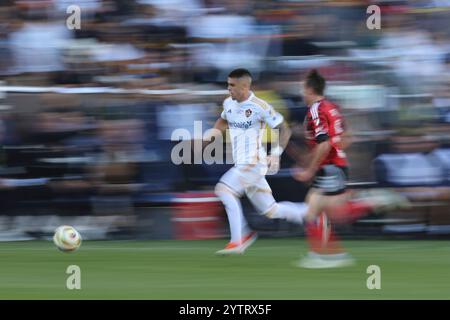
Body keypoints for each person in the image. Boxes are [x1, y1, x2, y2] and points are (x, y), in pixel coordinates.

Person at [291, 69, 408, 268]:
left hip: (328, 166)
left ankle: (324, 254)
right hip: (336, 164)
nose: (302, 92)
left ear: (310, 89)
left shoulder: (315, 111)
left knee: (320, 210)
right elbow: (347, 137)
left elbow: (324, 144)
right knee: (322, 210)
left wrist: (311, 168)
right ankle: (331, 254)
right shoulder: (331, 107)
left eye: (303, 88)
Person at [205, 68, 309, 255]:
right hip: (242, 164)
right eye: (228, 85)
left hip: (254, 162)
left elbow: (284, 130)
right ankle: (310, 212)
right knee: (271, 210)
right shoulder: (228, 103)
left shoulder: (260, 106)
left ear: (245, 86)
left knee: (224, 189)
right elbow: (222, 122)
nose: (228, 89)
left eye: (232, 85)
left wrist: (275, 153)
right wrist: (208, 138)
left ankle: (238, 239)